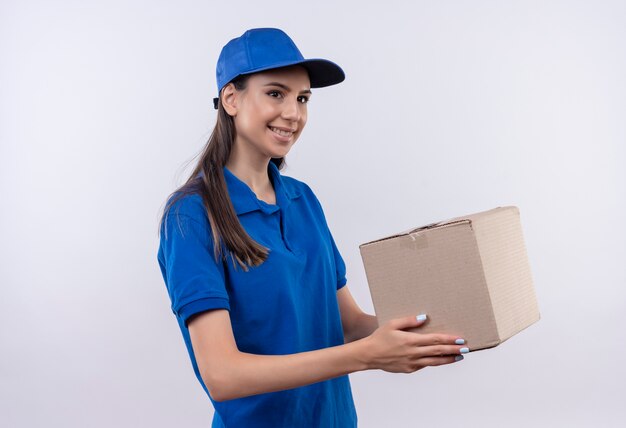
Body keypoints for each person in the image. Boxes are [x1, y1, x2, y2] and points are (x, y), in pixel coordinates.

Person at [157, 27, 469, 428]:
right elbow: (222, 375)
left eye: (303, 98)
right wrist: (369, 355)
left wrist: (425, 333)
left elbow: (347, 324)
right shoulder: (191, 217)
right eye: (276, 93)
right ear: (231, 99)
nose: (294, 113)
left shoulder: (302, 200)